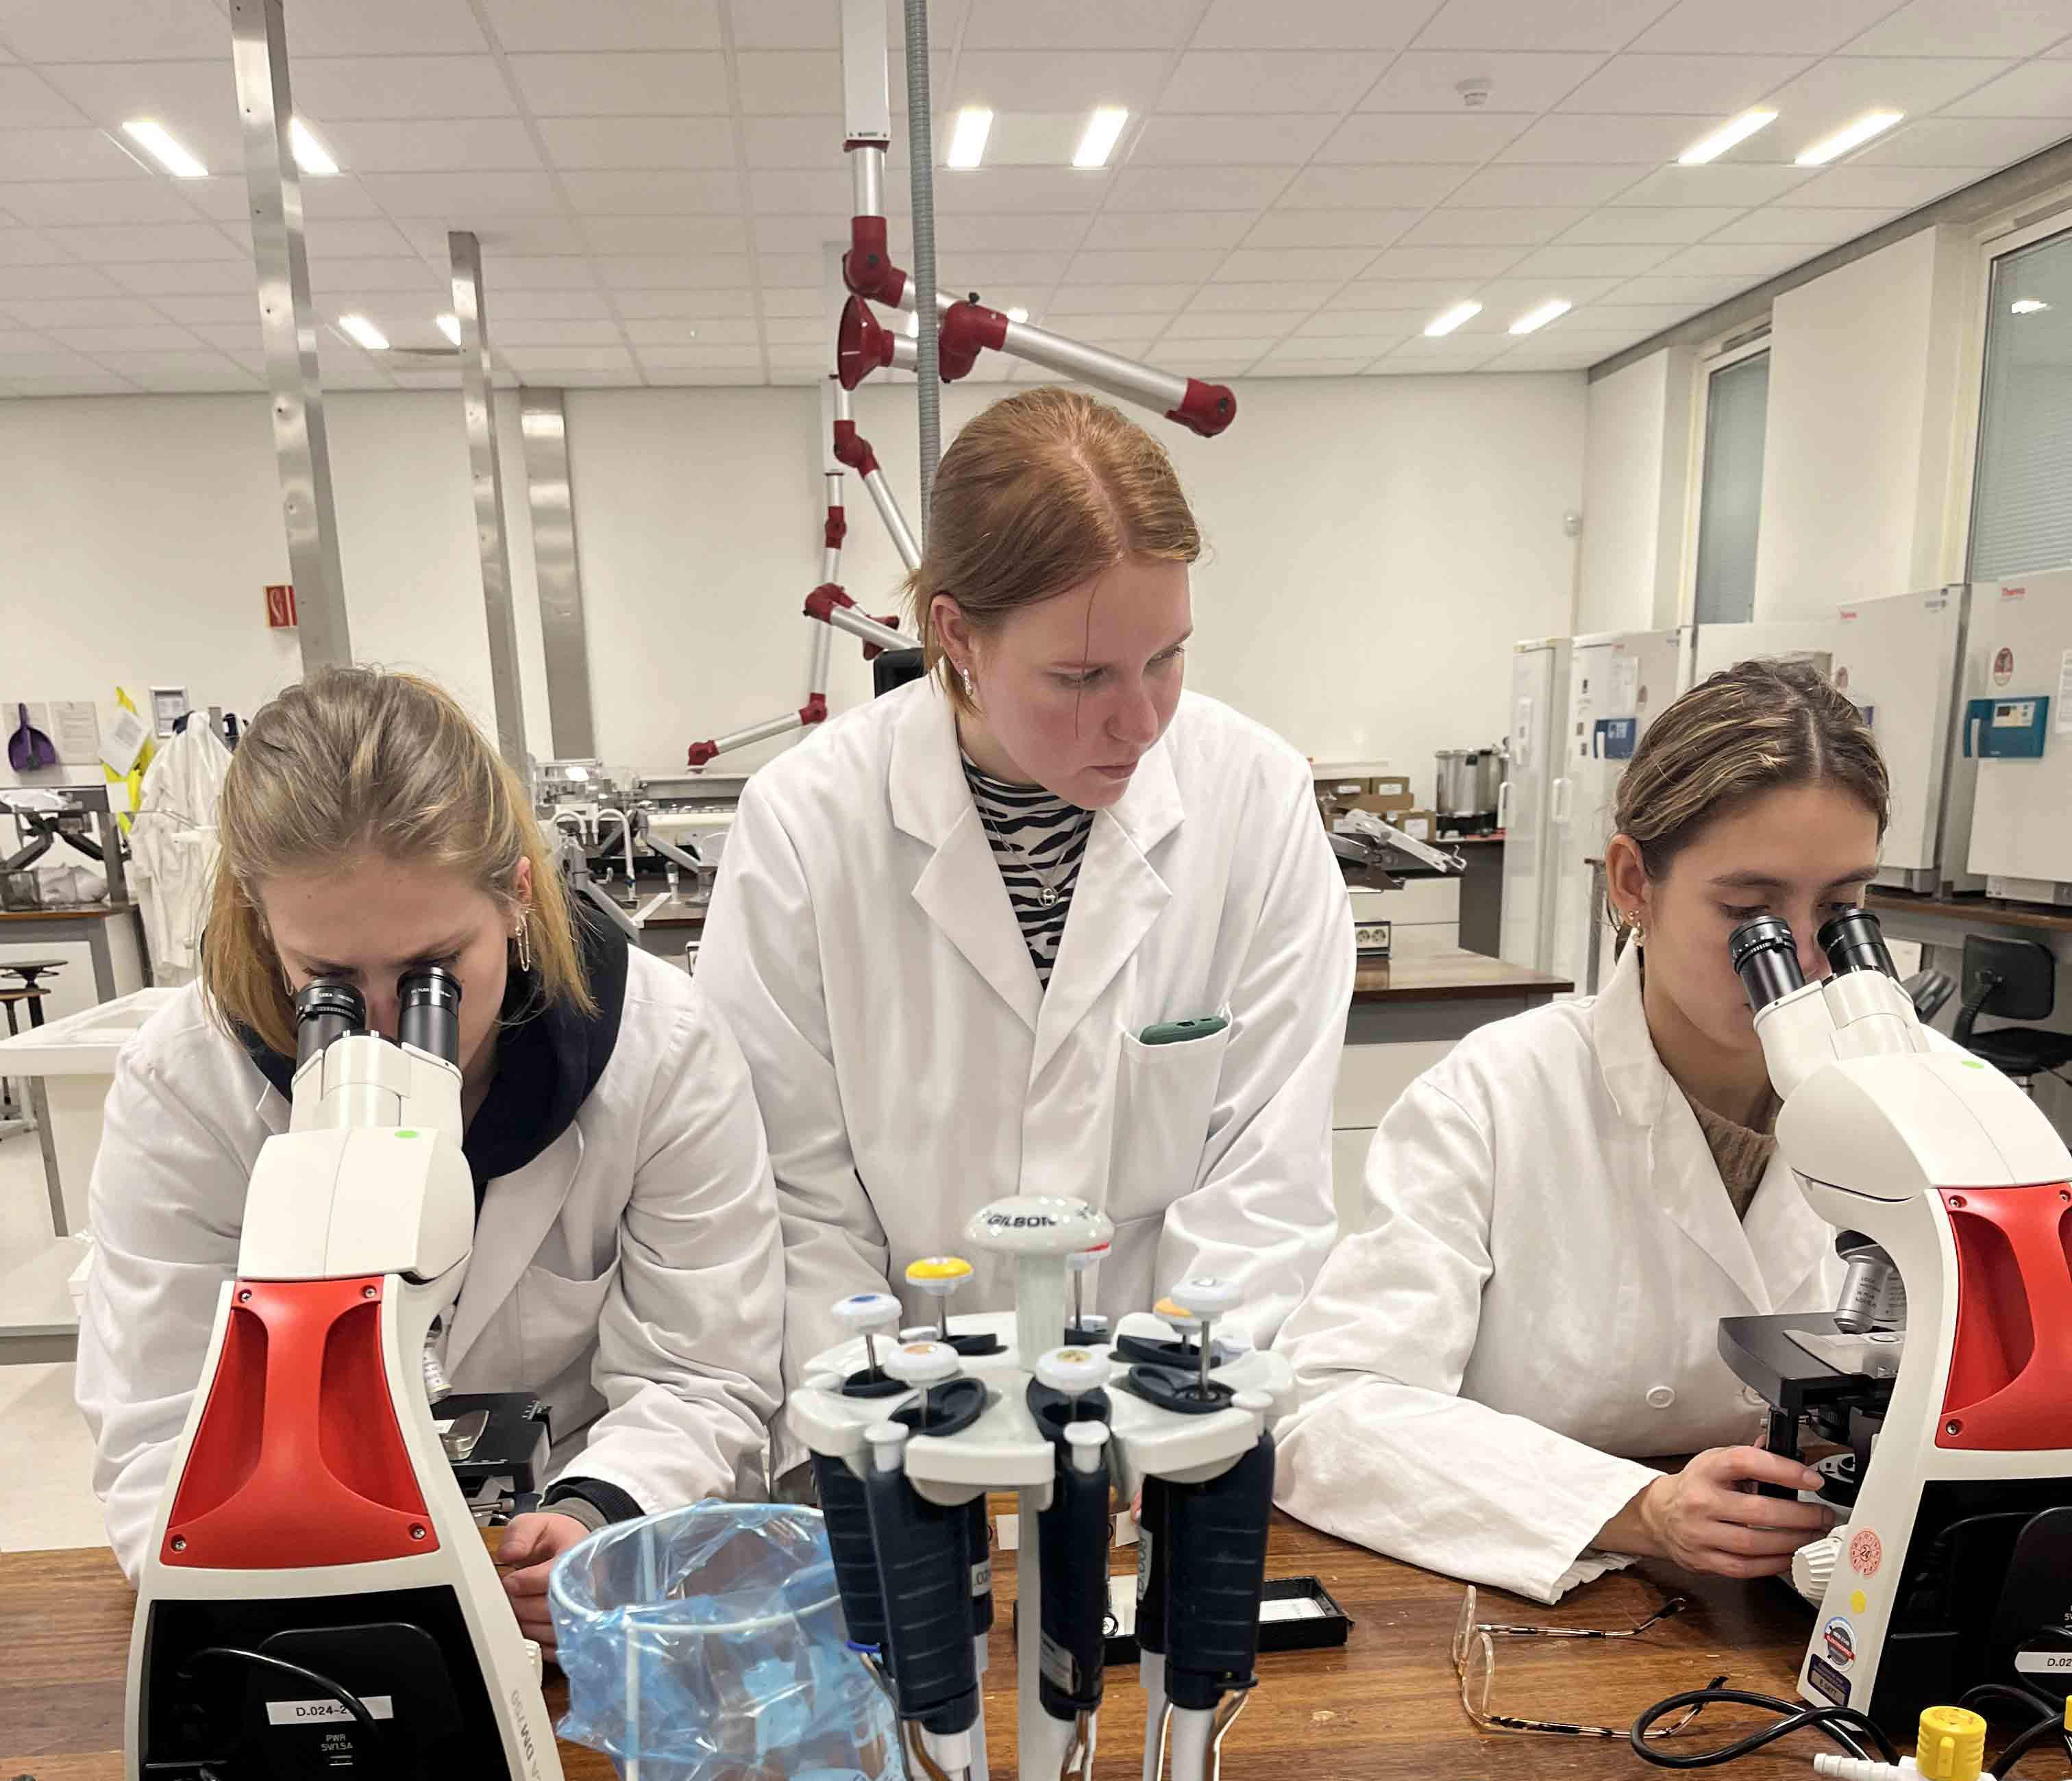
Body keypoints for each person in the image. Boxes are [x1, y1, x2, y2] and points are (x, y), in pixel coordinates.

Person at [698, 387, 1354, 1447]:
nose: (1139, 722)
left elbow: (1262, 1190)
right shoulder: (807, 825)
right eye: (1081, 675)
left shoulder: (1256, 800)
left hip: (1169, 1431)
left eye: (1167, 657)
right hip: (897, 1433)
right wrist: (887, 1447)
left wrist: (1172, 1436)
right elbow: (797, 1204)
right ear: (956, 632)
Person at [77, 667, 784, 1650]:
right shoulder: (186, 1084)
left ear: (517, 898)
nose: (385, 1028)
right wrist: (312, 1588)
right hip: (295, 1591)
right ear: (261, 924)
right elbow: (157, 1422)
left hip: (574, 1588)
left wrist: (596, 1521)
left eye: (432, 975)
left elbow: (704, 1373)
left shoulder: (659, 1049)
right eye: (325, 980)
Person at [1274, 661, 1889, 1602]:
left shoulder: (1914, 1098)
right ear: (1635, 880)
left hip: (1826, 1605)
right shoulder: (1494, 1097)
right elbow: (1330, 1409)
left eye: (1841, 912)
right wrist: (1639, 1507)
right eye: (1749, 914)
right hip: (1551, 1602)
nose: (1803, 962)